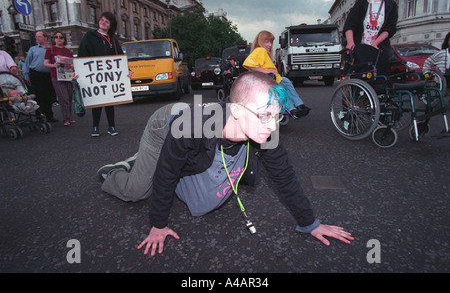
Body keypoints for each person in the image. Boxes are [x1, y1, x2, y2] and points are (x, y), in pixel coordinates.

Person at [97, 71, 353, 256]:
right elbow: (167, 173)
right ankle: (117, 170)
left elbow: (284, 176)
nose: (272, 126)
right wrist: (158, 224)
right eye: (264, 116)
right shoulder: (192, 127)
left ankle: (146, 159)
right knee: (138, 191)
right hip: (165, 127)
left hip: (194, 130)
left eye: (276, 116)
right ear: (238, 111)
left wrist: (311, 223)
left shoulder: (264, 128)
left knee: (190, 168)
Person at [77, 12, 131, 137]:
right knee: (97, 101)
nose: (102, 22)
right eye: (101, 20)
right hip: (94, 74)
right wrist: (78, 71)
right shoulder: (89, 36)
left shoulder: (112, 39)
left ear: (111, 25)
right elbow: (82, 55)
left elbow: (120, 58)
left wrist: (126, 71)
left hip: (109, 77)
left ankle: (111, 126)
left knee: (109, 101)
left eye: (106, 21)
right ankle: (95, 126)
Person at [243, 30, 311, 117]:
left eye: (271, 42)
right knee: (282, 89)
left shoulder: (262, 52)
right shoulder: (260, 50)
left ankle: (298, 105)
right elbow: (248, 64)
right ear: (260, 41)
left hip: (272, 79)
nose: (270, 45)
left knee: (285, 81)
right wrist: (265, 71)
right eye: (267, 42)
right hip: (267, 81)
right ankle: (294, 107)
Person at [343, 0, 398, 77]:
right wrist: (350, 43)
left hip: (379, 49)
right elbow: (350, 24)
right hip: (360, 48)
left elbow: (390, 28)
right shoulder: (361, 3)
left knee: (380, 80)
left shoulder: (391, 5)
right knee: (358, 77)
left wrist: (376, 43)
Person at [23, 31, 58, 122]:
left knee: (49, 96)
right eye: (36, 37)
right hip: (36, 74)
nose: (37, 39)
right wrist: (26, 75)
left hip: (47, 75)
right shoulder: (33, 49)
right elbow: (27, 63)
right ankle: (39, 116)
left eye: (39, 37)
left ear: (45, 37)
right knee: (38, 96)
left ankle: (49, 116)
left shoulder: (51, 49)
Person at [44, 31, 75, 127]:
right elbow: (45, 63)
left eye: (61, 37)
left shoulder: (68, 51)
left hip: (68, 76)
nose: (59, 39)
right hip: (57, 76)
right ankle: (66, 119)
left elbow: (73, 63)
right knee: (63, 97)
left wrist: (72, 68)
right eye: (56, 37)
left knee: (69, 97)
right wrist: (54, 65)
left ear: (64, 39)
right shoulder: (50, 50)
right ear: (54, 39)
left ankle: (69, 117)